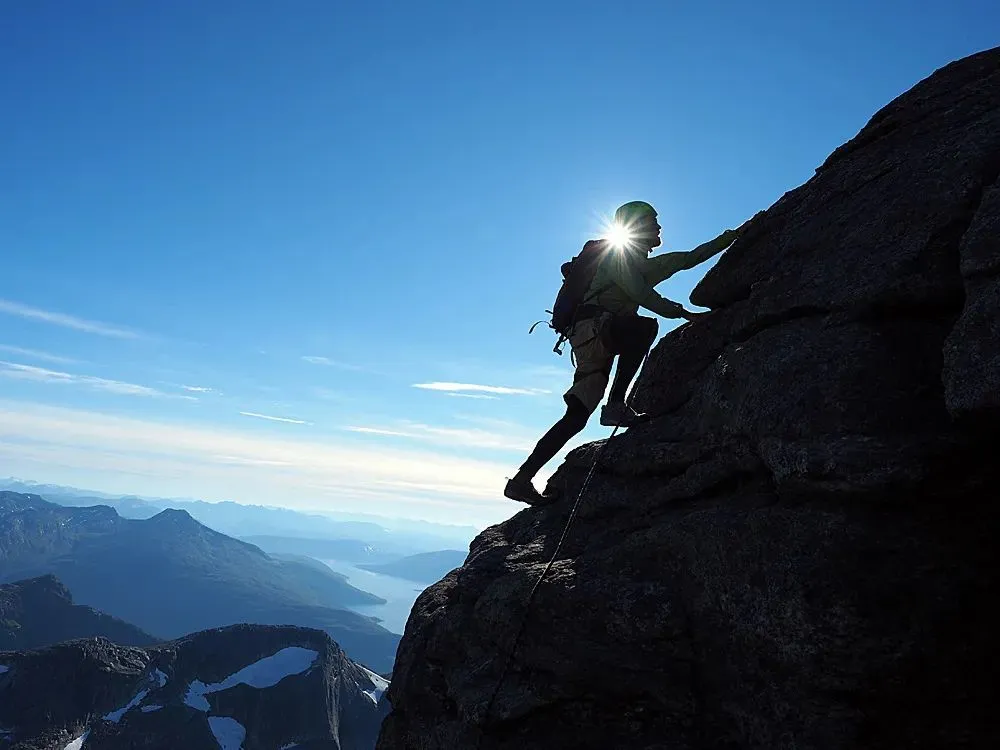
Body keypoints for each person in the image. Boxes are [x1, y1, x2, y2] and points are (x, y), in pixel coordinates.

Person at [504, 200, 755, 506]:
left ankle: (521, 480)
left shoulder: (641, 264)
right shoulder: (617, 257)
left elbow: (688, 259)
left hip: (590, 339)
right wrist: (679, 312)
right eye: (653, 221)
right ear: (638, 227)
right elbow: (638, 292)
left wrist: (734, 235)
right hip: (596, 330)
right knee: (644, 328)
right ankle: (616, 406)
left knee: (576, 417)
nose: (659, 227)